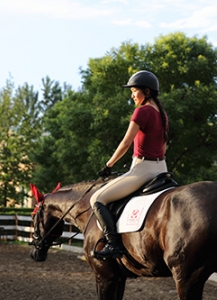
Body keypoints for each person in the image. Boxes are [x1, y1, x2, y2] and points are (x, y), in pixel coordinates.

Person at [90, 70, 169, 259]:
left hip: (143, 170)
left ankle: (113, 244)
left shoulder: (142, 112)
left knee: (97, 200)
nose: (132, 95)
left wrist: (108, 165)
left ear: (147, 92)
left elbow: (125, 143)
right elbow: (164, 147)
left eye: (134, 91)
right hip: (162, 169)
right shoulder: (163, 114)